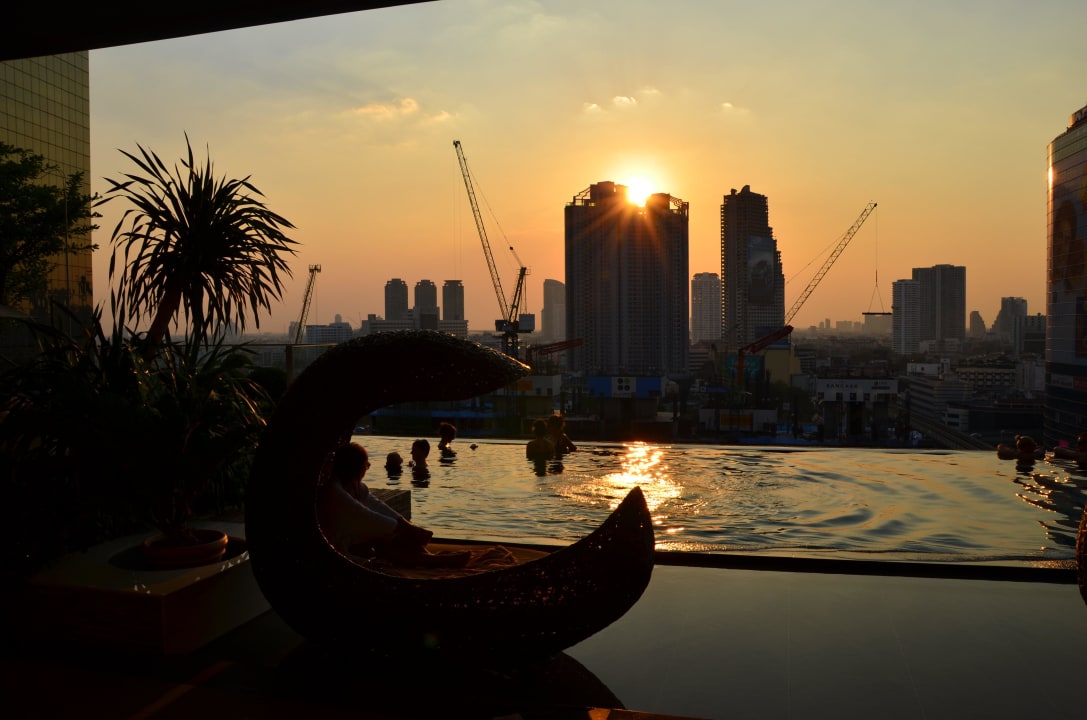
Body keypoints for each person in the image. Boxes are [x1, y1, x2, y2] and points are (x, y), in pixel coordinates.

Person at [316, 442, 432, 560]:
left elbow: (378, 506)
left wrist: (409, 526)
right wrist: (407, 530)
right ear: (358, 468)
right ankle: (433, 560)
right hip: (339, 551)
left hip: (351, 542)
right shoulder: (335, 493)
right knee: (392, 539)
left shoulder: (354, 486)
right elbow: (366, 515)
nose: (367, 468)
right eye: (367, 465)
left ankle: (430, 557)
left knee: (395, 539)